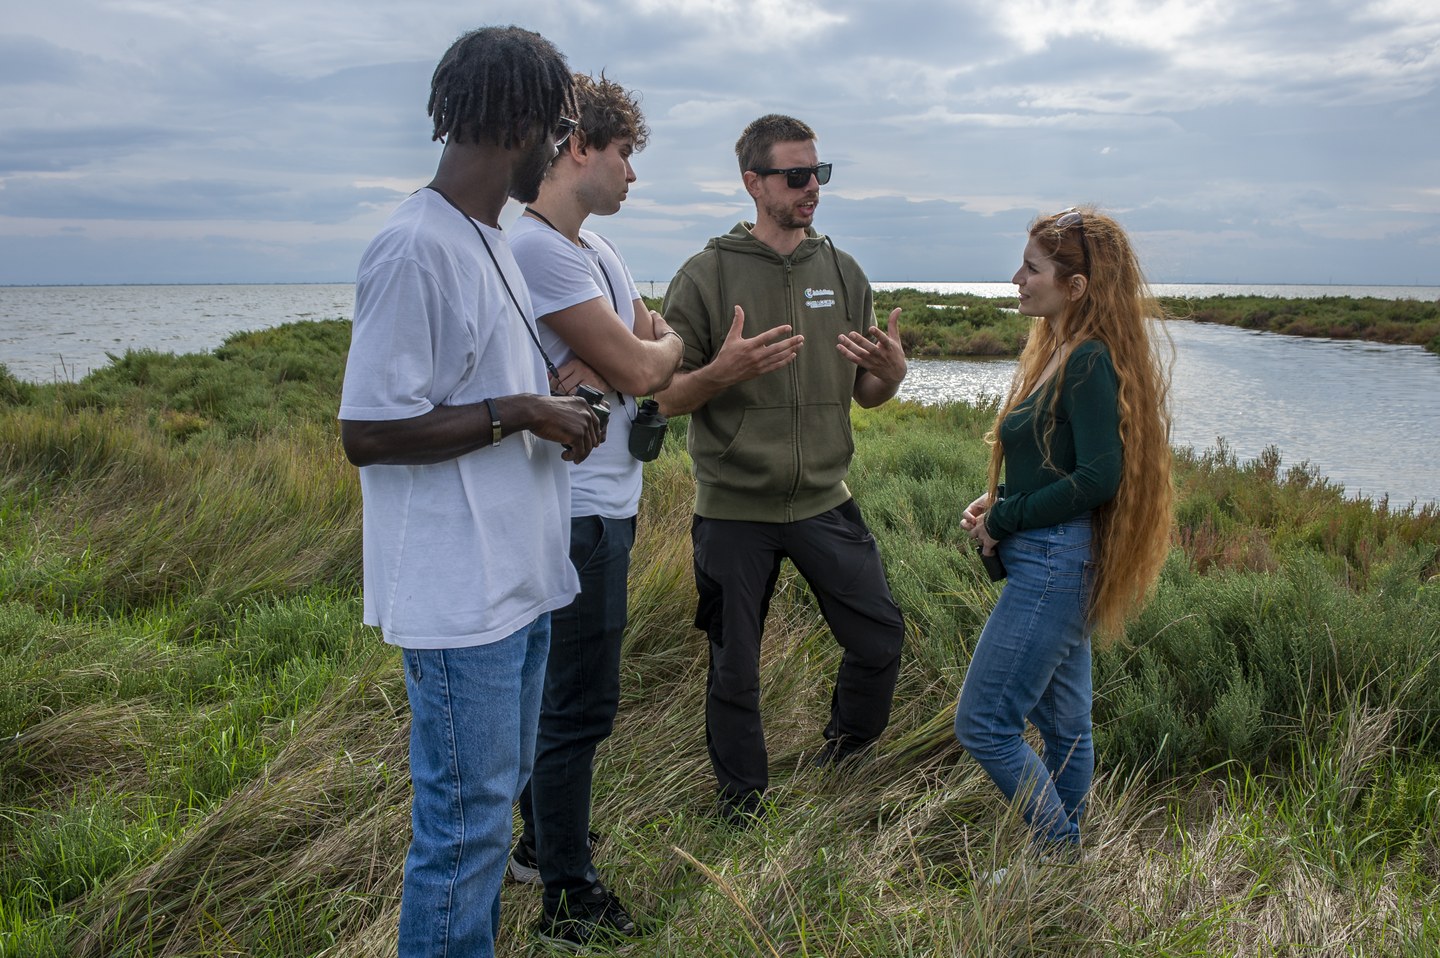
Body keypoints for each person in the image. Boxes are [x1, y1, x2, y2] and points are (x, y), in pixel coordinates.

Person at [337, 27, 607, 958]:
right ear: (521, 121)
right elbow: (367, 432)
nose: (563, 151)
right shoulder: (414, 247)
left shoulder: (485, 238)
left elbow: (483, 389)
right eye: (561, 130)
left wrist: (557, 408)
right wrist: (523, 410)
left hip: (517, 584)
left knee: (487, 825)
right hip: (461, 600)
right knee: (463, 834)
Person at [656, 114, 909, 821]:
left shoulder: (843, 272)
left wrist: (892, 375)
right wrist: (721, 373)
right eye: (796, 176)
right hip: (733, 507)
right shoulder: (705, 276)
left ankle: (845, 759)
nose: (812, 188)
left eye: (818, 173)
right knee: (735, 667)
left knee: (879, 638)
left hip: (824, 499)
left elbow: (866, 393)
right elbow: (665, 397)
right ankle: (742, 807)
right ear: (753, 183)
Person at [505, 73, 683, 948]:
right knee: (578, 705)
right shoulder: (539, 249)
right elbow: (649, 366)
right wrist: (640, 357)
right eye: (624, 154)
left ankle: (541, 846)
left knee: (563, 696)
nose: (632, 175)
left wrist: (645, 351)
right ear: (579, 148)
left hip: (605, 501)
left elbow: (659, 346)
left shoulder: (596, 250)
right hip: (572, 509)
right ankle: (567, 896)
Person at [954, 207, 1173, 860]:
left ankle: (1060, 854)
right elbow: (1060, 464)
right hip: (1055, 561)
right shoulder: (1061, 351)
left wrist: (1006, 519)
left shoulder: (1088, 360)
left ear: (1075, 286)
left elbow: (1100, 476)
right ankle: (1059, 876)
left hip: (1054, 566)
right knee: (1066, 729)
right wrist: (1001, 500)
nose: (1016, 278)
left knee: (984, 724)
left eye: (1032, 268)